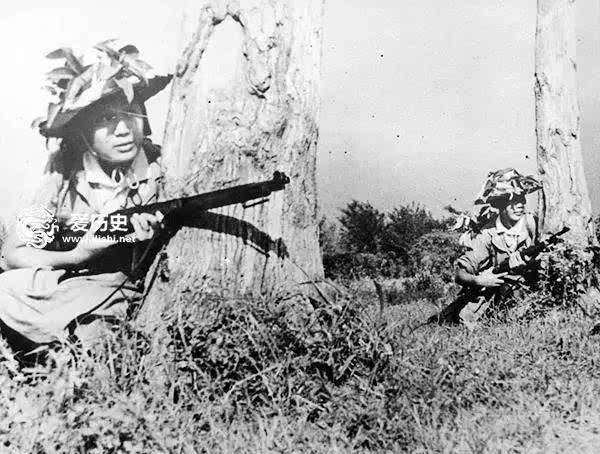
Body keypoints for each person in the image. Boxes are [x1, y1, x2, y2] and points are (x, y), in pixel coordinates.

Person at [0, 42, 172, 350]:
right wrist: (77, 254)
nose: (123, 130)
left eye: (130, 113)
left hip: (120, 291)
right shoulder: (63, 176)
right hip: (67, 281)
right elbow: (15, 253)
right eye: (106, 120)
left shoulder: (162, 168)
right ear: (82, 132)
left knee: (97, 337)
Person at [435, 168, 542, 326]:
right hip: (500, 291)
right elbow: (460, 274)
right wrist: (479, 280)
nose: (520, 205)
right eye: (513, 201)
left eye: (522, 199)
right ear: (500, 204)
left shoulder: (534, 224)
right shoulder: (487, 234)